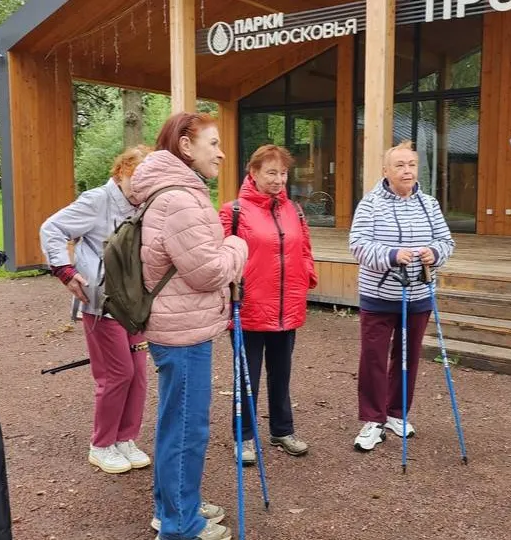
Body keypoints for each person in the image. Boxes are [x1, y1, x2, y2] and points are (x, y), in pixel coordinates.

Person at [129, 112, 247, 540]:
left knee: (175, 422)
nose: (220, 152)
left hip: (178, 323)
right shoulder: (179, 197)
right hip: (183, 331)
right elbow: (208, 272)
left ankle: (175, 507)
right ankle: (180, 525)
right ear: (184, 146)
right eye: (212, 143)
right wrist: (238, 245)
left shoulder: (171, 190)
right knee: (186, 428)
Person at [40, 145, 153, 474]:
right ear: (121, 173)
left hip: (137, 304)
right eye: (137, 177)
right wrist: (64, 270)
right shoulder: (97, 200)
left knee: (139, 375)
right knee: (117, 374)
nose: (142, 186)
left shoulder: (146, 205)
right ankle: (102, 444)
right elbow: (52, 228)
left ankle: (125, 438)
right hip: (102, 303)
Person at [348, 140, 455, 452]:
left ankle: (396, 413)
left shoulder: (429, 204)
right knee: (373, 359)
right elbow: (357, 245)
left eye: (411, 165)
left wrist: (433, 252)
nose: (407, 171)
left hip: (418, 295)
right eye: (400, 165)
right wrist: (393, 254)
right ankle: (373, 419)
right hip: (379, 295)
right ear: (386, 171)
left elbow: (446, 241)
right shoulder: (370, 204)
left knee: (407, 357)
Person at [218, 144, 317, 464]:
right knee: (247, 376)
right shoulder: (233, 211)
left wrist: (306, 279)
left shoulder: (294, 211)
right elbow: (220, 257)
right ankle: (243, 436)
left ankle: (282, 430)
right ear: (254, 173)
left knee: (282, 373)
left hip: (287, 307)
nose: (278, 180)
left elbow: (304, 249)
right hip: (248, 307)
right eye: (271, 173)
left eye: (283, 173)